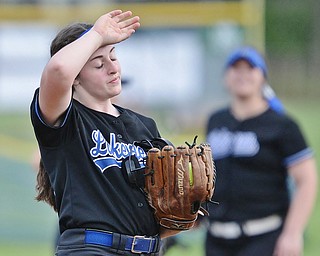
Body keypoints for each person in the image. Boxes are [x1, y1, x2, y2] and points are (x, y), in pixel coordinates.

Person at [30, 10, 179, 256]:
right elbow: (57, 71)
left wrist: (183, 211)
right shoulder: (66, 121)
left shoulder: (144, 126)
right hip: (91, 249)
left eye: (113, 57)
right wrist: (97, 34)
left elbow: (161, 215)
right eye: (99, 64)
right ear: (76, 78)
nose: (112, 68)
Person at [204, 46, 317, 256]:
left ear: (263, 77)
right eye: (236, 68)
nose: (242, 75)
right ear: (225, 78)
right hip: (216, 239)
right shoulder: (216, 120)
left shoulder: (281, 125)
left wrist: (292, 234)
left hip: (264, 237)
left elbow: (307, 180)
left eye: (250, 68)